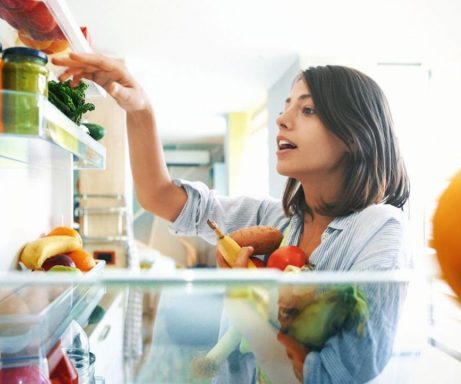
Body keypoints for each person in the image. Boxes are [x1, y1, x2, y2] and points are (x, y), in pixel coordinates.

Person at [53, 53, 411, 383]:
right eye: (286, 107)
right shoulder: (277, 219)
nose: (282, 119)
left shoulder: (380, 229)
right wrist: (139, 108)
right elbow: (159, 197)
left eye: (308, 110)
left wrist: (244, 302)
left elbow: (334, 375)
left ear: (354, 134)